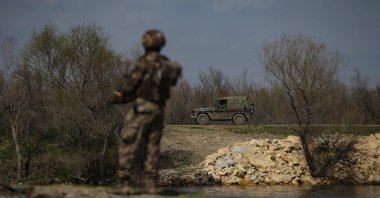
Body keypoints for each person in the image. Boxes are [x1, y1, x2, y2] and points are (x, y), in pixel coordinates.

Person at [113, 29, 181, 194]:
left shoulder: (144, 63)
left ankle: (123, 184)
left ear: (146, 43)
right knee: (153, 148)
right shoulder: (166, 65)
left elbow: (130, 87)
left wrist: (120, 96)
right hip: (158, 111)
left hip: (142, 108)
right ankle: (151, 185)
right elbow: (172, 80)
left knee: (129, 143)